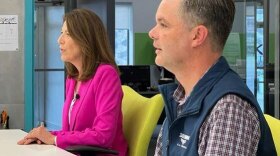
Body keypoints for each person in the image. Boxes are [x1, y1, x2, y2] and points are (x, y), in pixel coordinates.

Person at [148, 0, 276, 156]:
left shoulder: (228, 108)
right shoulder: (180, 99)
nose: (152, 33)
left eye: (163, 24)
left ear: (197, 35)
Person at [18, 8, 128, 156]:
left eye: (68, 34)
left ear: (86, 39)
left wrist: (54, 139)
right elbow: (72, 133)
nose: (59, 40)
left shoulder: (106, 74)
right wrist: (43, 135)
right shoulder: (73, 78)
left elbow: (103, 136)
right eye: (61, 32)